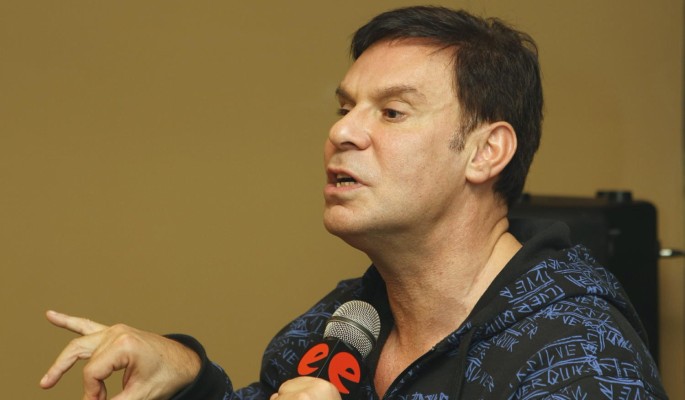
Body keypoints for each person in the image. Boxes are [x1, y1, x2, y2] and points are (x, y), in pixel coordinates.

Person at [40, 6, 668, 400]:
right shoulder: (343, 323)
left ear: (485, 152)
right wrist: (186, 375)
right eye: (345, 108)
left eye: (392, 112)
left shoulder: (577, 355)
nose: (342, 131)